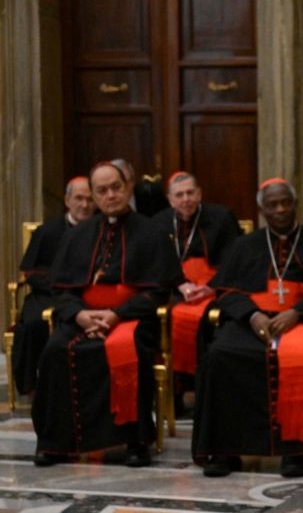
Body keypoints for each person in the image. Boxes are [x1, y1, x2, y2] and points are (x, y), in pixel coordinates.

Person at [192, 178, 303, 478]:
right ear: (262, 210)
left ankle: (293, 451)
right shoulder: (244, 245)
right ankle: (225, 450)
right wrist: (252, 315)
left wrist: (297, 312)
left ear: (295, 204)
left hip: (299, 321)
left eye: (285, 202)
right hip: (252, 322)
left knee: (295, 358)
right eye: (273, 205)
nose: (280, 209)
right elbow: (226, 291)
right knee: (220, 355)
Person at [32, 162, 182, 467]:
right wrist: (80, 315)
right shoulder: (77, 236)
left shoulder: (152, 232)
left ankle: (134, 442)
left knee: (131, 350)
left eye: (116, 187)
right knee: (55, 350)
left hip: (132, 318)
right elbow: (61, 289)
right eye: (102, 190)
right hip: (84, 317)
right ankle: (56, 443)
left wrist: (116, 314)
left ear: (128, 187)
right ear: (94, 195)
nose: (110, 195)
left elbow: (158, 291)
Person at [151, 172, 241, 389]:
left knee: (209, 321)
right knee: (161, 317)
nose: (186, 199)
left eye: (190, 193)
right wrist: (180, 284)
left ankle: (203, 386)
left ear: (199, 194)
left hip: (213, 288)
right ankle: (175, 389)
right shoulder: (157, 223)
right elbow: (154, 262)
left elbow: (234, 259)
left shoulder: (222, 217)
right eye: (179, 195)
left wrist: (210, 287)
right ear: (170, 199)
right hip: (174, 288)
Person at [12, 177, 95, 396]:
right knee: (34, 323)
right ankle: (34, 386)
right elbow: (30, 271)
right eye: (79, 198)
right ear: (67, 200)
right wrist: (58, 287)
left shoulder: (101, 230)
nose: (84, 205)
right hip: (48, 293)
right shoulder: (48, 231)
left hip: (86, 294)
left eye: (89, 199)